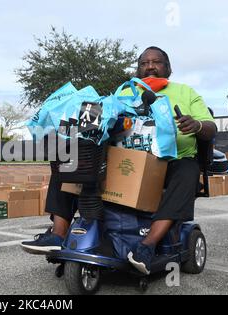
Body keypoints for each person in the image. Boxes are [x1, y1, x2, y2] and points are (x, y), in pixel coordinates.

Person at [22, 47, 217, 276]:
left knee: (188, 171)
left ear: (168, 67)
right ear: (138, 68)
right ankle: (58, 234)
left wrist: (197, 125)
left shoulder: (185, 92)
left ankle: (147, 246)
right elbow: (102, 118)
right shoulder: (124, 93)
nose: (150, 66)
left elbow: (211, 127)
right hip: (126, 158)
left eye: (157, 62)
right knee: (70, 158)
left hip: (171, 162)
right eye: (144, 63)